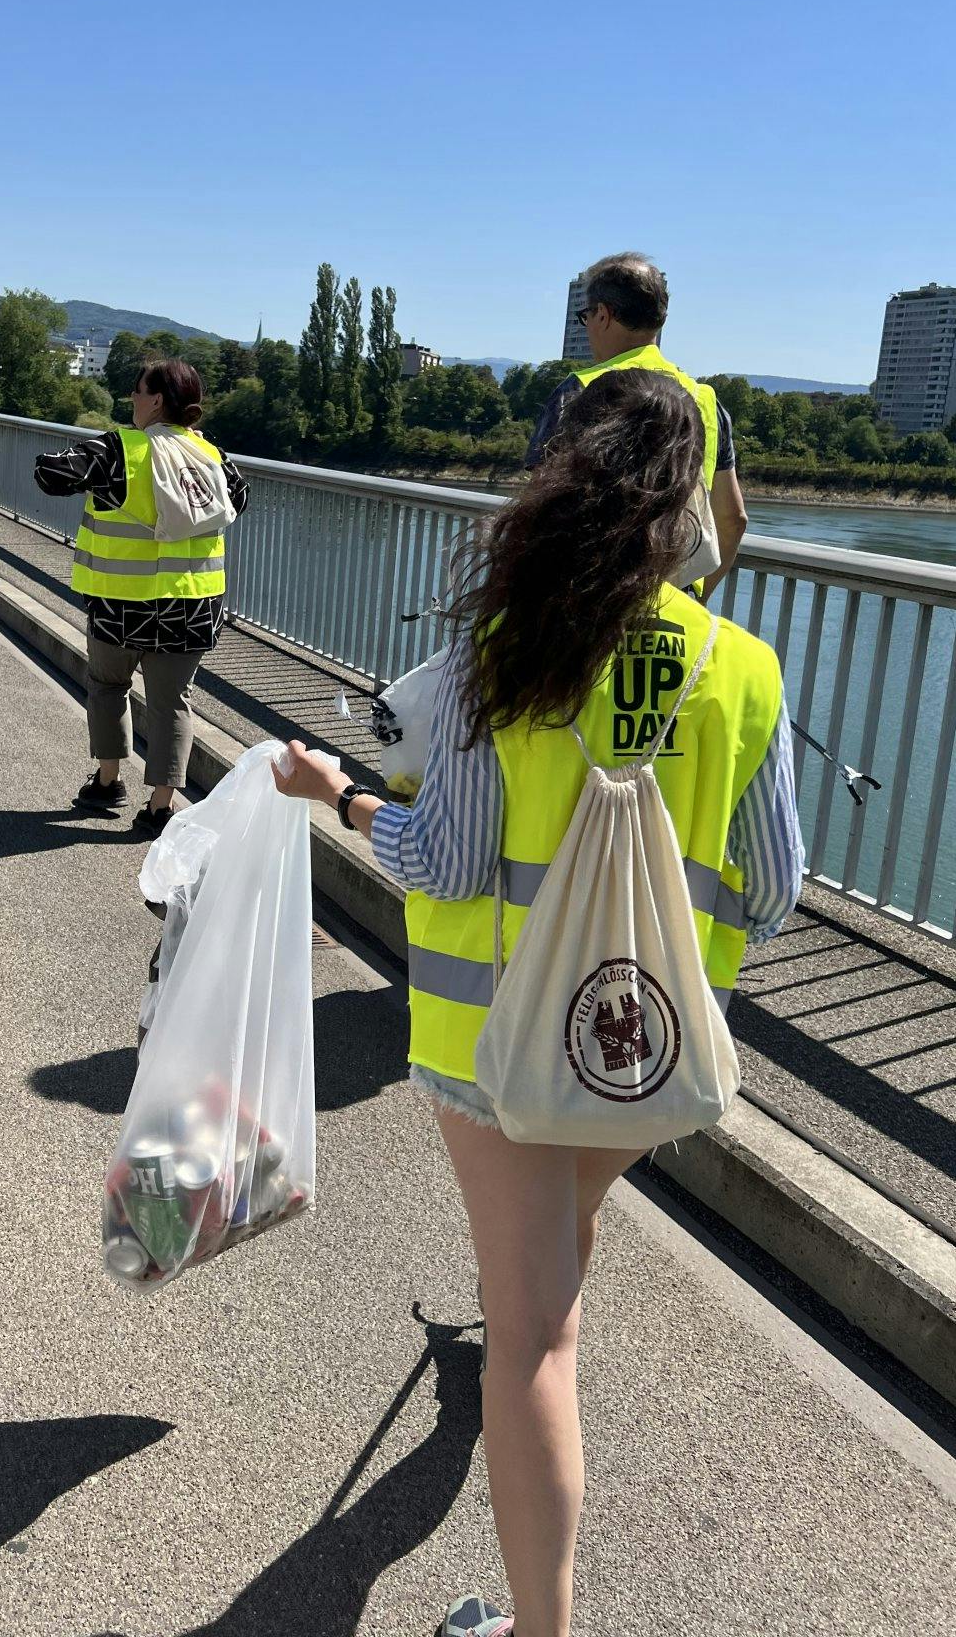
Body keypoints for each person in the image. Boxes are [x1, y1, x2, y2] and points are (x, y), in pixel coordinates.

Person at [275, 370, 803, 1637]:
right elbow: (776, 887)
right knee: (559, 1264)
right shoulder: (742, 669)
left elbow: (440, 863)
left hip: (490, 1049)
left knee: (533, 1351)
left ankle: (540, 1631)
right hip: (646, 1056)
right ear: (687, 509)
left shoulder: (491, 661)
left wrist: (340, 798)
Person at [33, 356, 249, 837]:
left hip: (121, 604)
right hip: (193, 606)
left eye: (137, 389)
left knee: (109, 686)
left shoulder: (119, 449)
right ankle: (160, 807)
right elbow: (240, 498)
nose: (131, 397)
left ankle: (108, 783)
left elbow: (52, 475)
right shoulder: (212, 456)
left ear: (156, 400)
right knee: (173, 702)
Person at [527, 253, 748, 599]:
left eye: (586, 317)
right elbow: (733, 518)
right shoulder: (705, 399)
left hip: (586, 601)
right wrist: (695, 600)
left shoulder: (579, 390)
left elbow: (537, 512)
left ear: (603, 314)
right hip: (673, 600)